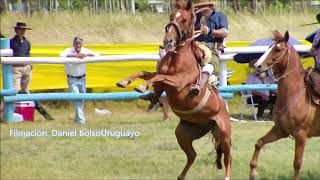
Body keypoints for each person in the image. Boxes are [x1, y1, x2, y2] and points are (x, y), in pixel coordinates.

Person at [189, 0, 229, 96]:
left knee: (210, 64)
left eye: (203, 6)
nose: (200, 9)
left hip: (212, 48)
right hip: (194, 47)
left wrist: (211, 31)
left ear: (210, 6)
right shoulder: (194, 18)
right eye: (199, 6)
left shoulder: (220, 16)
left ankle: (199, 85)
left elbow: (225, 32)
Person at [60, 37, 99, 124]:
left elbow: (97, 55)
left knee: (82, 99)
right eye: (76, 43)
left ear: (81, 44)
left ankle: (77, 119)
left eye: (79, 43)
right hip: (72, 79)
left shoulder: (84, 50)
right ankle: (81, 121)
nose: (78, 45)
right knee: (77, 99)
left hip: (83, 79)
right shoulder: (68, 50)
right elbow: (61, 55)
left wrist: (85, 55)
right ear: (73, 43)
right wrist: (76, 56)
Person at [10, 22, 32, 93]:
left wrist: (30, 66)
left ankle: (24, 103)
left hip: (26, 67)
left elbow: (28, 53)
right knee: (14, 89)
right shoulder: (11, 42)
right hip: (16, 67)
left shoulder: (27, 43)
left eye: (23, 30)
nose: (22, 31)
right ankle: (7, 104)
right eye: (20, 29)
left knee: (26, 90)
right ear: (16, 30)